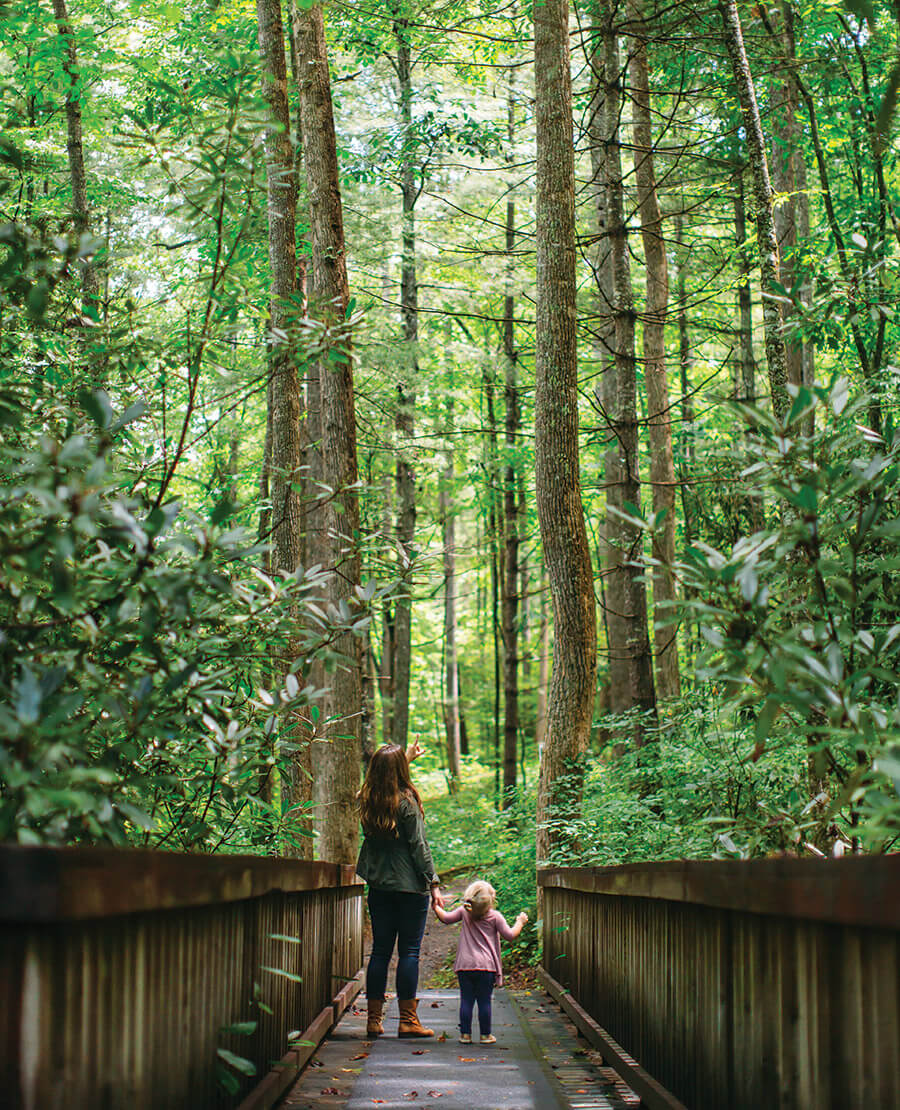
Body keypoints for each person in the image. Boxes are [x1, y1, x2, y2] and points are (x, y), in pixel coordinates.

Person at [356, 741, 444, 1039]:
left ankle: (373, 1021)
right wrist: (433, 882)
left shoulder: (366, 800)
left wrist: (403, 759)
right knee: (409, 951)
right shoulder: (407, 802)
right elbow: (418, 846)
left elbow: (383, 780)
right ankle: (408, 1021)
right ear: (400, 772)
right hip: (409, 888)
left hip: (380, 887)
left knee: (380, 951)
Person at [432, 879, 528, 1044]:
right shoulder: (495, 917)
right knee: (484, 1001)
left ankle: (465, 1035)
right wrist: (520, 922)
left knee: (466, 1000)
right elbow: (510, 935)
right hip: (486, 966)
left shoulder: (464, 912)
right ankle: (485, 1035)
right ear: (491, 901)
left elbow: (446, 918)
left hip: (465, 965)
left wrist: (436, 907)